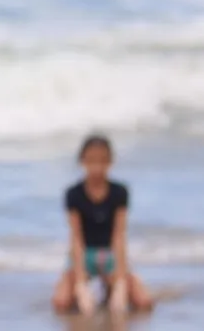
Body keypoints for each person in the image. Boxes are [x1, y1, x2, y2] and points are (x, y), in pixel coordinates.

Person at [51, 134, 154, 317]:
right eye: (91, 161)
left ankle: (111, 288)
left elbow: (119, 236)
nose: (97, 167)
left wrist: (121, 283)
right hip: (84, 254)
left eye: (102, 161)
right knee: (61, 303)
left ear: (111, 162)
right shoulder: (73, 194)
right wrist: (81, 284)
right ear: (82, 161)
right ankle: (86, 290)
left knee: (144, 302)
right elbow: (76, 238)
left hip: (110, 255)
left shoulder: (119, 192)